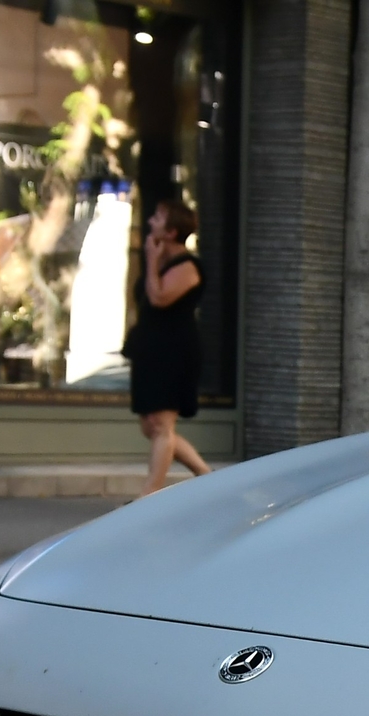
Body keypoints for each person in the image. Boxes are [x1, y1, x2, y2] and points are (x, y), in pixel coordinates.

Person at [127, 199, 211, 495]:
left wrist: (151, 260)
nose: (151, 222)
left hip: (173, 351)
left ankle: (148, 498)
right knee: (151, 427)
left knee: (162, 425)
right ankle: (206, 475)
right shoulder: (162, 260)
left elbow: (160, 298)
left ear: (173, 232)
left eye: (158, 219)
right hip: (151, 348)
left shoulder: (188, 266)